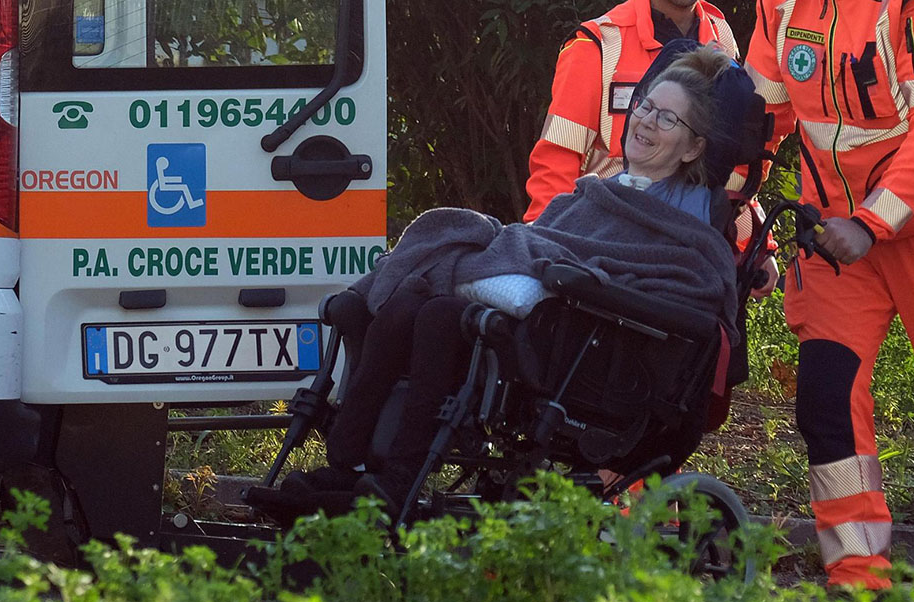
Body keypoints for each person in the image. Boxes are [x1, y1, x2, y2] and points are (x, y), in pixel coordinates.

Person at [283, 47, 738, 512]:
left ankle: (400, 479)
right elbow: (544, 238)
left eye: (667, 119)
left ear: (693, 147)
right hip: (542, 313)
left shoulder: (684, 220)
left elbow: (670, 276)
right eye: (644, 106)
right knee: (403, 298)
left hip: (576, 348)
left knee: (442, 315)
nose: (645, 122)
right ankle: (344, 466)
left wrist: (562, 267)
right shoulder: (597, 191)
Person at [745, 0, 914, 591]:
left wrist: (871, 222)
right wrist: (727, 209)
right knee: (826, 402)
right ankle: (858, 581)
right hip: (834, 237)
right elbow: (758, 117)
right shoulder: (777, 5)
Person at [523, 0, 780, 299]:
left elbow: (735, 164)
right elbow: (555, 162)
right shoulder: (600, 43)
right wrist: (542, 259)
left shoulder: (719, 35)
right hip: (606, 255)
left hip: (697, 263)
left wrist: (759, 247)